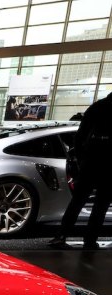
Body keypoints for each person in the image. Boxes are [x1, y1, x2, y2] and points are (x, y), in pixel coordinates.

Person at [49, 93, 112, 250]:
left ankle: (61, 235)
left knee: (78, 201)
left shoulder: (96, 107)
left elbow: (80, 136)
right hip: (109, 165)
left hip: (91, 162)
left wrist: (81, 160)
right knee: (101, 205)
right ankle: (90, 240)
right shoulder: (99, 108)